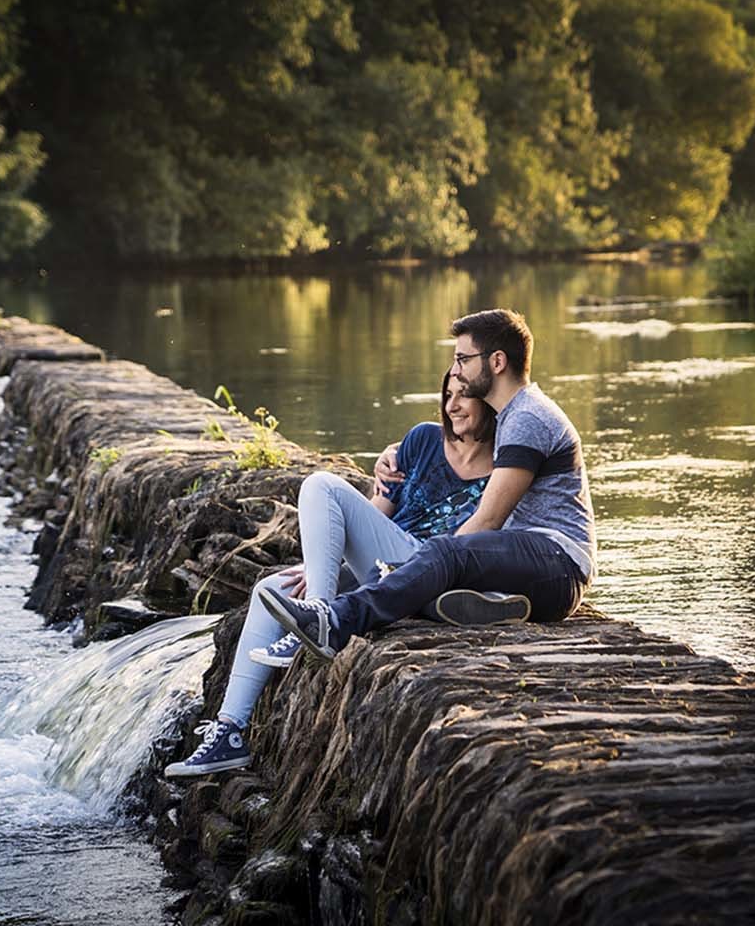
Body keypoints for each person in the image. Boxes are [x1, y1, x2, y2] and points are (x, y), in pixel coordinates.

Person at [164, 373, 526, 777]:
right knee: (272, 587)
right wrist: (321, 562)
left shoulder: (506, 472)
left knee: (321, 482)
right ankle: (230, 732)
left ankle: (319, 615)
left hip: (430, 569)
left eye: (465, 397)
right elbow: (373, 516)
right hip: (385, 561)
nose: (452, 406)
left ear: (489, 404)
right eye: (447, 396)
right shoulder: (422, 441)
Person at [260, 308, 595, 661]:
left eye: (463, 359)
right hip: (528, 563)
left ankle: (335, 622)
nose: (457, 371)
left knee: (441, 553)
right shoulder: (512, 417)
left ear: (497, 362)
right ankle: (491, 605)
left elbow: (487, 522)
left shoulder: (527, 417)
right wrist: (397, 452)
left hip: (558, 561)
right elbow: (458, 447)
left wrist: (418, 567)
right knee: (435, 572)